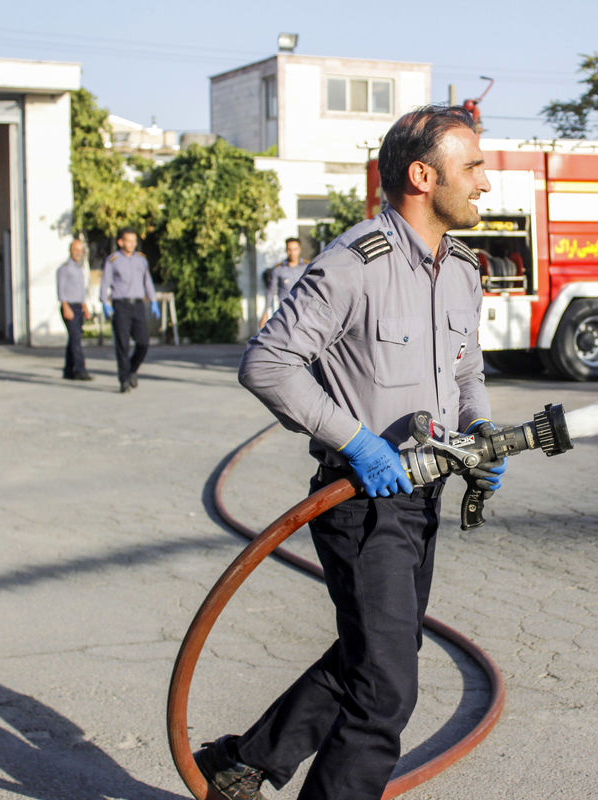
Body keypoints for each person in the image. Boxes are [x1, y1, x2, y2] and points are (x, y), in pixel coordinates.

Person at [194, 105, 505, 800]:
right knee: (387, 690)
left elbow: (463, 373)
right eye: (474, 167)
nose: (486, 182)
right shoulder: (354, 264)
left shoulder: (460, 268)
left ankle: (243, 763)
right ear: (423, 176)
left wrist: (479, 429)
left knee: (375, 658)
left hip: (423, 497)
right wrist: (357, 441)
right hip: (362, 505)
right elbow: (268, 363)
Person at [99, 228, 158, 393]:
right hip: (121, 305)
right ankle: (124, 380)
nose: (132, 244)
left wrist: (153, 300)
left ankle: (132, 369)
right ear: (121, 242)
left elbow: (148, 280)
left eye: (134, 241)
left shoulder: (141, 260)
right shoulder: (113, 260)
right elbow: (105, 283)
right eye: (128, 241)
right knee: (122, 345)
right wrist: (105, 302)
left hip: (138, 305)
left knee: (143, 343)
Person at [57, 239, 93, 381]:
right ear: (70, 251)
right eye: (75, 250)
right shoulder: (64, 269)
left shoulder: (79, 269)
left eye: (80, 250)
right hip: (69, 307)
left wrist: (85, 308)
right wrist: (66, 307)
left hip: (79, 307)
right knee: (76, 339)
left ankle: (68, 370)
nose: (78, 253)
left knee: (73, 339)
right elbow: (61, 291)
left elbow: (81, 292)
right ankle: (80, 370)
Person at [261, 237, 308, 326]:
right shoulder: (278, 269)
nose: (292, 253)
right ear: (286, 250)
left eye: (295, 249)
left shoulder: (307, 267)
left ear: (300, 250)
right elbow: (271, 292)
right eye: (289, 250)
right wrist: (265, 313)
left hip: (304, 311)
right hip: (286, 313)